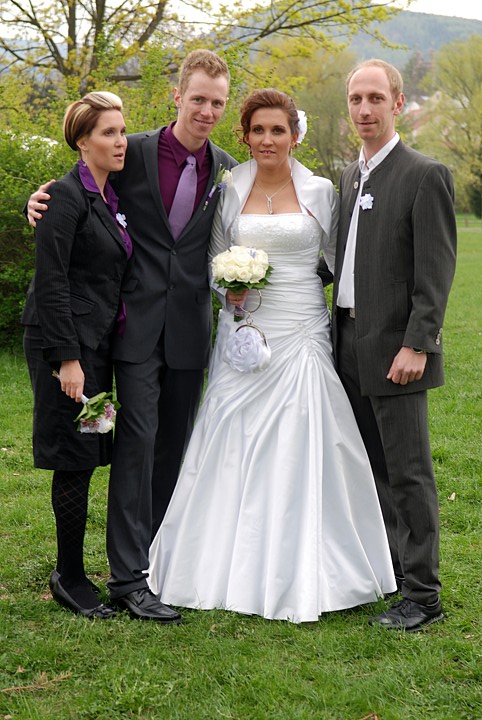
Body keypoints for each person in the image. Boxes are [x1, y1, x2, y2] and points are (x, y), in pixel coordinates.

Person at [148, 88, 397, 623]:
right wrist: (229, 287)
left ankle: (310, 561)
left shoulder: (321, 191)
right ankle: (219, 559)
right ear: (244, 136)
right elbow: (213, 256)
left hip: (302, 329)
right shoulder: (229, 187)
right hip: (244, 331)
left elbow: (341, 259)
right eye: (257, 130)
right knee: (231, 435)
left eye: (277, 130)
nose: (267, 140)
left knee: (305, 434)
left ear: (294, 135)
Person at [27, 50, 237, 623]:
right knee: (136, 445)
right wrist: (37, 201)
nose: (207, 110)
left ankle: (158, 563)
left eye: (218, 102)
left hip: (190, 329)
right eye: (198, 99)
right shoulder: (133, 151)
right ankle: (127, 578)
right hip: (133, 328)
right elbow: (77, 191)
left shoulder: (228, 169)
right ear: (178, 95)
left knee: (173, 450)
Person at [327, 59, 457, 631]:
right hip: (347, 342)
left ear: (398, 103)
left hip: (397, 349)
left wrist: (418, 344)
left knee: (409, 471)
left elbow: (436, 273)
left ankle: (423, 596)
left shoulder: (424, 174)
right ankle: (395, 573)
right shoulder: (348, 176)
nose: (364, 109)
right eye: (356, 99)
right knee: (372, 468)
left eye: (375, 98)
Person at [22, 91, 132, 619]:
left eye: (122, 130)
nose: (121, 140)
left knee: (88, 451)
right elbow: (51, 280)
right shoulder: (64, 196)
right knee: (73, 454)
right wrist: (66, 359)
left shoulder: (109, 195)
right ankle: (68, 576)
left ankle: (74, 569)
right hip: (63, 346)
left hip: (96, 345)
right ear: (82, 141)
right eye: (109, 132)